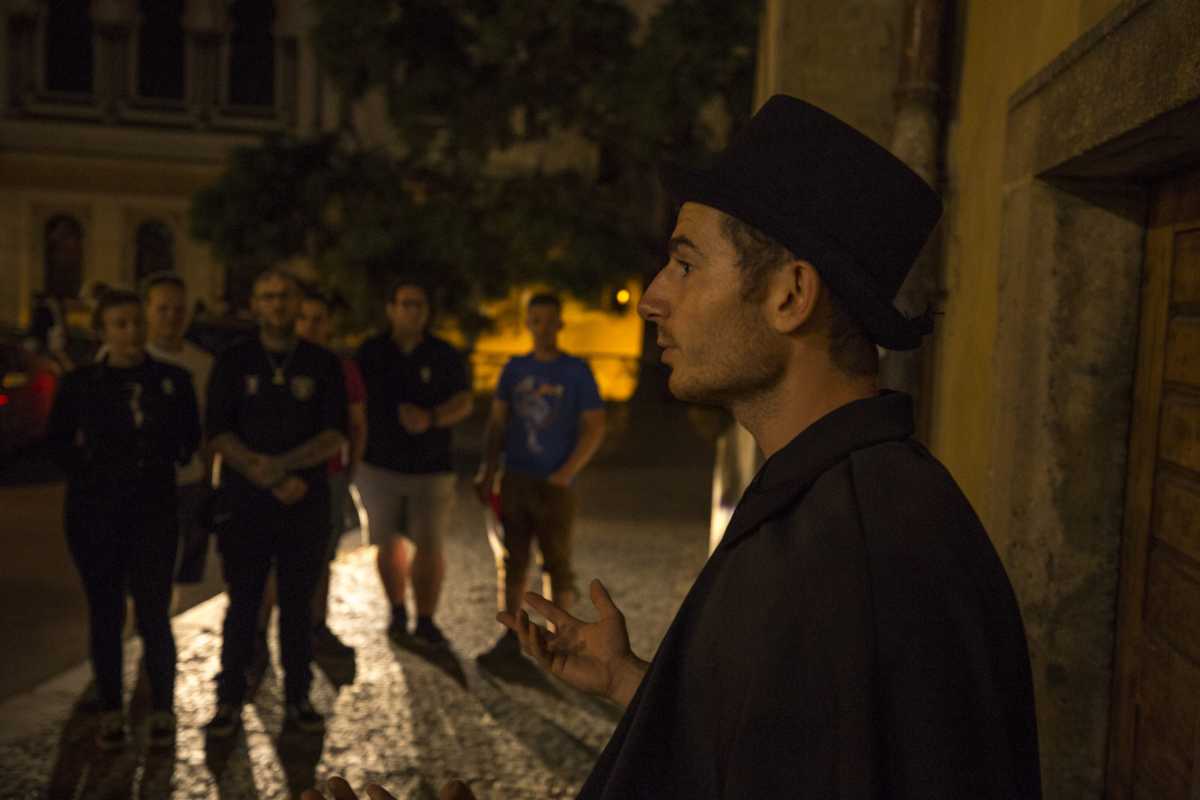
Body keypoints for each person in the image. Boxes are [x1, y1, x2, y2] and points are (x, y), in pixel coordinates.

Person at [312, 96, 1042, 799]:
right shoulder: (830, 493)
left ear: (790, 296)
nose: (652, 298)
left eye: (686, 265)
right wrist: (633, 682)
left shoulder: (860, 541)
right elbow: (775, 750)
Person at [46, 289, 200, 750]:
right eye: (120, 324)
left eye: (137, 323)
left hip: (154, 512)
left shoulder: (172, 379)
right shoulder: (81, 384)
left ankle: (162, 708)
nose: (131, 333)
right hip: (96, 513)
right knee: (106, 611)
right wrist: (95, 472)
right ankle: (111, 707)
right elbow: (58, 442)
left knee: (154, 612)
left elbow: (188, 439)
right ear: (103, 331)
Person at [203, 268, 348, 738]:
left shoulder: (323, 363)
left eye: (285, 296)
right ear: (255, 304)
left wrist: (283, 469)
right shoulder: (234, 361)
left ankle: (297, 698)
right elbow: (217, 431)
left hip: (304, 502)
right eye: (267, 296)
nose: (277, 304)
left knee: (298, 605)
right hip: (245, 504)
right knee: (242, 604)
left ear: (297, 303)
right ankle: (229, 698)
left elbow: (335, 434)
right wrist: (261, 472)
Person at [475, 293, 606, 663]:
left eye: (550, 320)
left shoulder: (576, 371)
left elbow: (595, 426)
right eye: (536, 320)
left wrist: (566, 472)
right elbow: (497, 423)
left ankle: (558, 642)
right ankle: (510, 638)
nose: (543, 328)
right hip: (515, 478)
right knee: (513, 562)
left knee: (557, 565)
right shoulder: (514, 369)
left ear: (560, 324)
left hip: (555, 485)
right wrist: (488, 469)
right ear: (528, 324)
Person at [354, 277, 473, 647]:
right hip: (379, 465)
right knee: (386, 542)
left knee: (429, 544)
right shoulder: (370, 352)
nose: (413, 312)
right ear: (391, 309)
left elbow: (464, 401)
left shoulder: (444, 354)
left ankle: (425, 618)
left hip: (431, 466)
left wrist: (432, 418)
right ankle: (396, 610)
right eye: (405, 304)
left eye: (419, 304)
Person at [256, 288, 366, 659]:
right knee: (271, 558)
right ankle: (260, 633)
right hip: (276, 476)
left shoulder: (341, 368)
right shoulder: (275, 363)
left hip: (327, 476)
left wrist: (349, 472)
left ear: (329, 325)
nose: (309, 326)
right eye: (303, 318)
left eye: (318, 319)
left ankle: (316, 628)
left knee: (321, 557)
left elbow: (357, 424)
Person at [142, 272, 215, 590]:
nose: (172, 317)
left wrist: (208, 480)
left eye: (179, 309)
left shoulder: (203, 364)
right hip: (140, 482)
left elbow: (209, 427)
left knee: (182, 573)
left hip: (188, 482)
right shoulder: (124, 356)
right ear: (148, 310)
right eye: (163, 309)